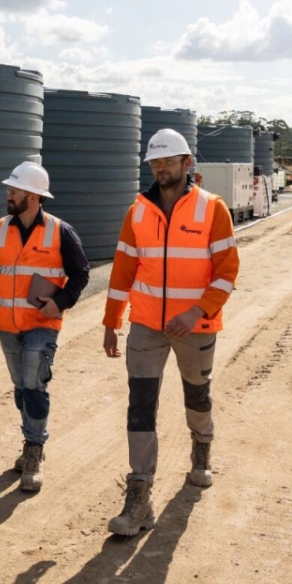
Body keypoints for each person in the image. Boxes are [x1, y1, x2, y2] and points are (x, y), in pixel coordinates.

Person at [99, 129, 241, 536]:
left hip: (194, 326)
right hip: (145, 324)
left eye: (167, 161)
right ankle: (139, 495)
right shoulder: (137, 212)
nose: (160, 168)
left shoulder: (212, 210)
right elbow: (123, 272)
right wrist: (112, 320)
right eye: (154, 163)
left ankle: (201, 447)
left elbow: (228, 271)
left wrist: (198, 310)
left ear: (186, 163)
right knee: (140, 404)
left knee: (197, 393)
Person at [0, 161, 91, 493]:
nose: (8, 194)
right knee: (21, 387)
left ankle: (34, 449)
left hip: (43, 323)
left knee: (34, 382)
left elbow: (81, 273)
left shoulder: (60, 231)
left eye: (14, 190)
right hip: (7, 324)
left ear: (33, 196)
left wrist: (60, 302)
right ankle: (30, 438)